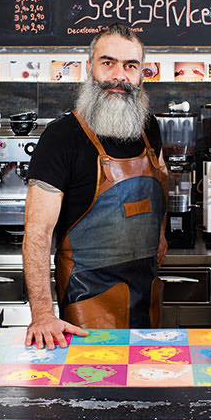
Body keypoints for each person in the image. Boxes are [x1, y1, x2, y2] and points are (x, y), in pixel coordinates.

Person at [23, 24, 168, 348]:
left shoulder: (149, 127)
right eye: (108, 63)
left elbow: (160, 182)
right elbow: (37, 233)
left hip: (146, 294)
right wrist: (43, 314)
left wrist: (160, 234)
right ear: (90, 67)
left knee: (150, 378)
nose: (119, 76)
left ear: (142, 73)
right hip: (87, 301)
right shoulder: (61, 137)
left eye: (130, 66)